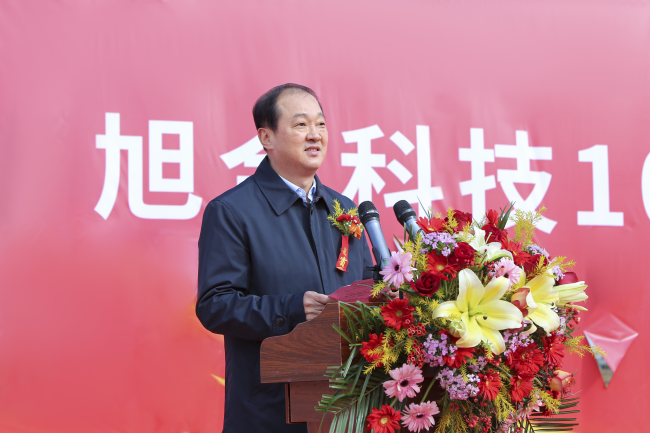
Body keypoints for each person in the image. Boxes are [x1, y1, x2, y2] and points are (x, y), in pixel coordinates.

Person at [196, 83, 375, 433]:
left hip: (349, 406)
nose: (315, 135)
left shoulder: (345, 208)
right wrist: (291, 309)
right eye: (301, 124)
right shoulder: (232, 211)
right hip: (270, 410)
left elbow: (366, 288)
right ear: (267, 138)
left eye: (321, 124)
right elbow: (215, 304)